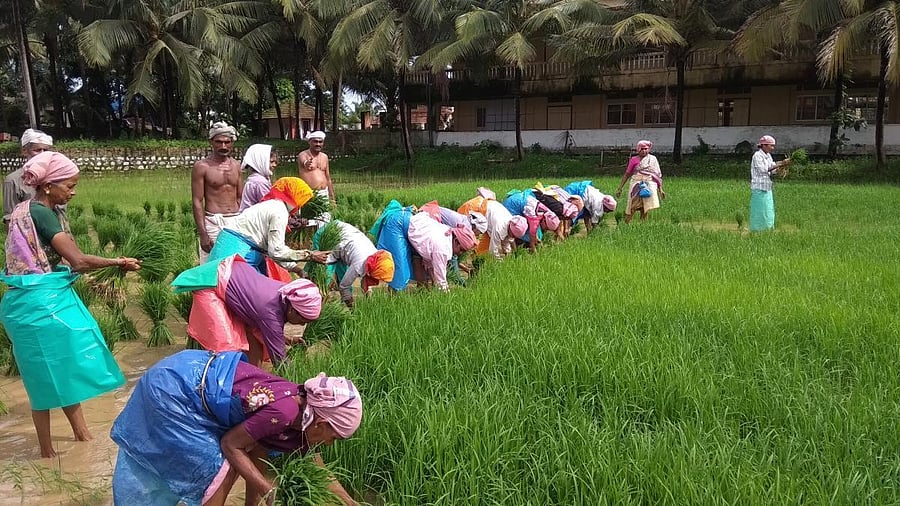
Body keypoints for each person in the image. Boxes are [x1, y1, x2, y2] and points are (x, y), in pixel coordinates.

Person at [0, 151, 141, 458]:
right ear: (49, 186)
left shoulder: (29, 210)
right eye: (69, 185)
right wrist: (118, 261)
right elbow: (77, 260)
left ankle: (81, 436)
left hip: (30, 301)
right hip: (38, 306)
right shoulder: (41, 213)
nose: (73, 191)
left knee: (57, 369)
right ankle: (48, 453)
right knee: (44, 377)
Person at [111, 350, 362, 506]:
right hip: (174, 388)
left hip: (188, 373)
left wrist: (349, 502)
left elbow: (261, 455)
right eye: (334, 437)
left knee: (236, 460)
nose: (330, 444)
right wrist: (268, 490)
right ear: (321, 422)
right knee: (219, 467)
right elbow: (231, 445)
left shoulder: (301, 417)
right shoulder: (284, 412)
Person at [173, 256, 322, 366]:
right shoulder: (271, 312)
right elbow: (279, 360)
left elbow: (269, 332)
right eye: (303, 321)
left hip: (235, 272)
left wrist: (287, 339)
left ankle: (253, 376)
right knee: (227, 349)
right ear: (292, 310)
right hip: (212, 283)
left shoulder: (283, 293)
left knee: (254, 339)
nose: (302, 326)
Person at [208, 177, 330, 275]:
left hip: (231, 245)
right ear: (295, 196)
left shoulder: (273, 205)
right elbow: (276, 252)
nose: (300, 207)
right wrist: (310, 255)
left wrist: (296, 269)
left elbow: (272, 248)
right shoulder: (279, 212)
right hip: (236, 250)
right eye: (302, 200)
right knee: (249, 294)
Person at [192, 122, 243, 263]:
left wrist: (240, 221)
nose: (223, 146)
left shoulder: (236, 165)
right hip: (213, 221)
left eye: (227, 142)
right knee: (211, 266)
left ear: (232, 143)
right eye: (219, 142)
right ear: (211, 142)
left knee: (235, 265)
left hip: (234, 220)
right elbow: (197, 200)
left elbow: (240, 196)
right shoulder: (202, 167)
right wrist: (203, 234)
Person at [319, 220, 395, 307]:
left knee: (343, 276)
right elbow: (344, 286)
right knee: (323, 281)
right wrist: (353, 310)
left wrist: (370, 301)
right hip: (328, 235)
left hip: (344, 240)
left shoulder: (375, 258)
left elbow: (367, 279)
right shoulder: (360, 264)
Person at [406, 211, 476, 291]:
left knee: (422, 266)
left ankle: (422, 291)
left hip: (415, 223)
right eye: (461, 250)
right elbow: (441, 280)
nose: (460, 253)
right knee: (401, 273)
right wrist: (446, 296)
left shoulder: (448, 233)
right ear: (456, 241)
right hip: (404, 224)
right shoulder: (442, 250)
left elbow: (431, 262)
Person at [3, 128, 53, 225]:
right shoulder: (13, 181)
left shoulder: (55, 176)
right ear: (25, 151)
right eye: (37, 150)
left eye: (46, 150)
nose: (43, 154)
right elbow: (11, 220)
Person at [615, 140, 666, 224]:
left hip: (649, 184)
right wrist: (620, 188)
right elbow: (627, 174)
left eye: (646, 149)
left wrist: (660, 189)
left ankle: (643, 225)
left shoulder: (653, 159)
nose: (644, 151)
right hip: (636, 183)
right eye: (642, 149)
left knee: (645, 207)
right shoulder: (634, 160)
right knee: (633, 206)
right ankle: (625, 224)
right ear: (638, 149)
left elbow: (656, 175)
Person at [370, 200, 416, 292]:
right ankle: (396, 292)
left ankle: (395, 290)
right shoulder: (404, 216)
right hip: (396, 229)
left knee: (397, 262)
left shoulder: (398, 214)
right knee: (399, 263)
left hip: (395, 231)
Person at [750, 135, 791, 231]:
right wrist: (780, 163)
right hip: (759, 187)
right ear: (764, 145)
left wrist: (782, 166)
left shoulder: (768, 156)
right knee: (760, 210)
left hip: (767, 186)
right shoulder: (757, 156)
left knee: (768, 209)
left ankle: (767, 228)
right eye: (771, 146)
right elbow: (763, 170)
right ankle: (757, 229)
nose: (772, 148)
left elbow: (772, 169)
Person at [297, 131, 334, 228]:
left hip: (323, 193)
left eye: (320, 142)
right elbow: (304, 162)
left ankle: (322, 239)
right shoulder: (303, 155)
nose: (318, 144)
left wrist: (332, 198)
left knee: (325, 220)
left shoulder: (325, 157)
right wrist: (307, 163)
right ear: (309, 142)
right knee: (309, 221)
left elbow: (328, 177)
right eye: (315, 141)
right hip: (310, 194)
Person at [238, 143, 276, 212]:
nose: (274, 165)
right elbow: (269, 207)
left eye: (275, 162)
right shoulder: (260, 182)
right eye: (271, 162)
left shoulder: (255, 179)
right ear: (261, 162)